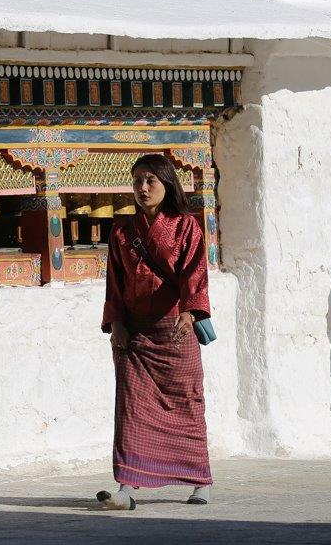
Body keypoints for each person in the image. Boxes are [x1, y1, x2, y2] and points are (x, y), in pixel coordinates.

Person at [97, 154, 212, 510]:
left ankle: (199, 482)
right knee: (131, 408)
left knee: (187, 404)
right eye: (137, 182)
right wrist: (116, 323)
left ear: (167, 185)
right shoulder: (122, 232)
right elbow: (114, 283)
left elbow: (196, 272)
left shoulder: (186, 226)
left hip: (176, 331)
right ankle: (126, 488)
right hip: (135, 334)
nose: (143, 189)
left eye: (151, 182)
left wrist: (190, 312)